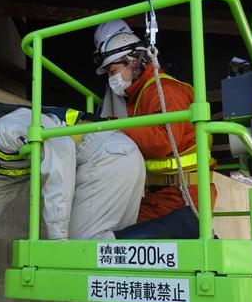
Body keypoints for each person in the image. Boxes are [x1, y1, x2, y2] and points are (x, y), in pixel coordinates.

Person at [0, 102, 145, 260]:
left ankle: (179, 228)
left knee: (85, 249)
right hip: (113, 162)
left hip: (107, 156)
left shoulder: (5, 130)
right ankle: (175, 230)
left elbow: (58, 161)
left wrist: (58, 237)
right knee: (113, 253)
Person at [92, 19, 217, 222]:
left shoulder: (164, 90)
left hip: (180, 196)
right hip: (168, 193)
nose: (110, 78)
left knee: (114, 234)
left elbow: (163, 141)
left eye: (112, 71)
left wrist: (111, 127)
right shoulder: (143, 93)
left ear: (133, 62)